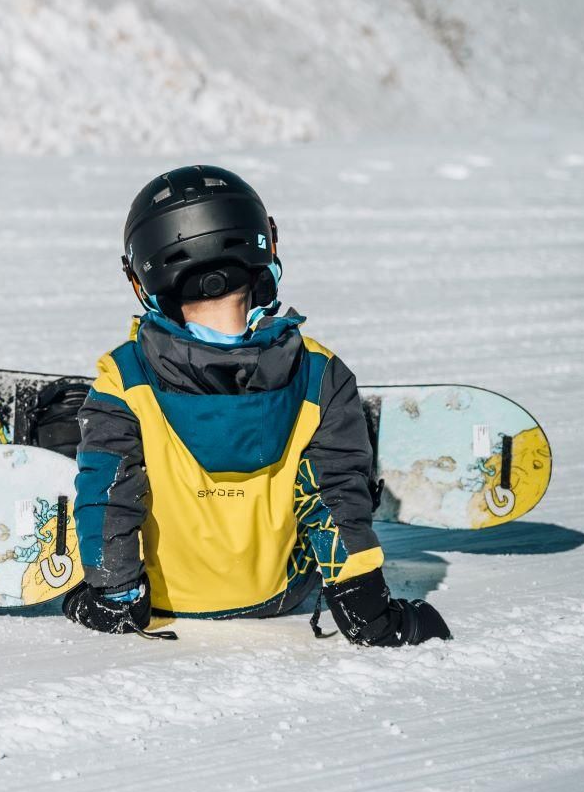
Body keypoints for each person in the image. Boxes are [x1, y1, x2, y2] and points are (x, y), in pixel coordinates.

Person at [63, 165, 450, 647]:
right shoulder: (319, 372)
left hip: (165, 598)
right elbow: (335, 503)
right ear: (262, 250)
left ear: (145, 276)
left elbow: (112, 492)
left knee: (110, 456)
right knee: (331, 471)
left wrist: (112, 598)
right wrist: (372, 619)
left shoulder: (123, 377)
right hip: (277, 592)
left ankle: (66, 435)